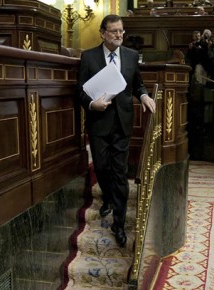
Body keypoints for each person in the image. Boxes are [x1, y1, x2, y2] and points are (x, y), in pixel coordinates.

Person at [77, 14, 156, 248]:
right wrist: (92, 104)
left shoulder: (131, 56)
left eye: (121, 31)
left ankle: (118, 224)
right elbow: (80, 92)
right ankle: (108, 197)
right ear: (103, 33)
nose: (119, 35)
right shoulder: (88, 57)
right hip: (98, 122)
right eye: (114, 31)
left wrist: (143, 95)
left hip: (123, 122)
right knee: (102, 167)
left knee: (120, 173)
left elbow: (138, 83)